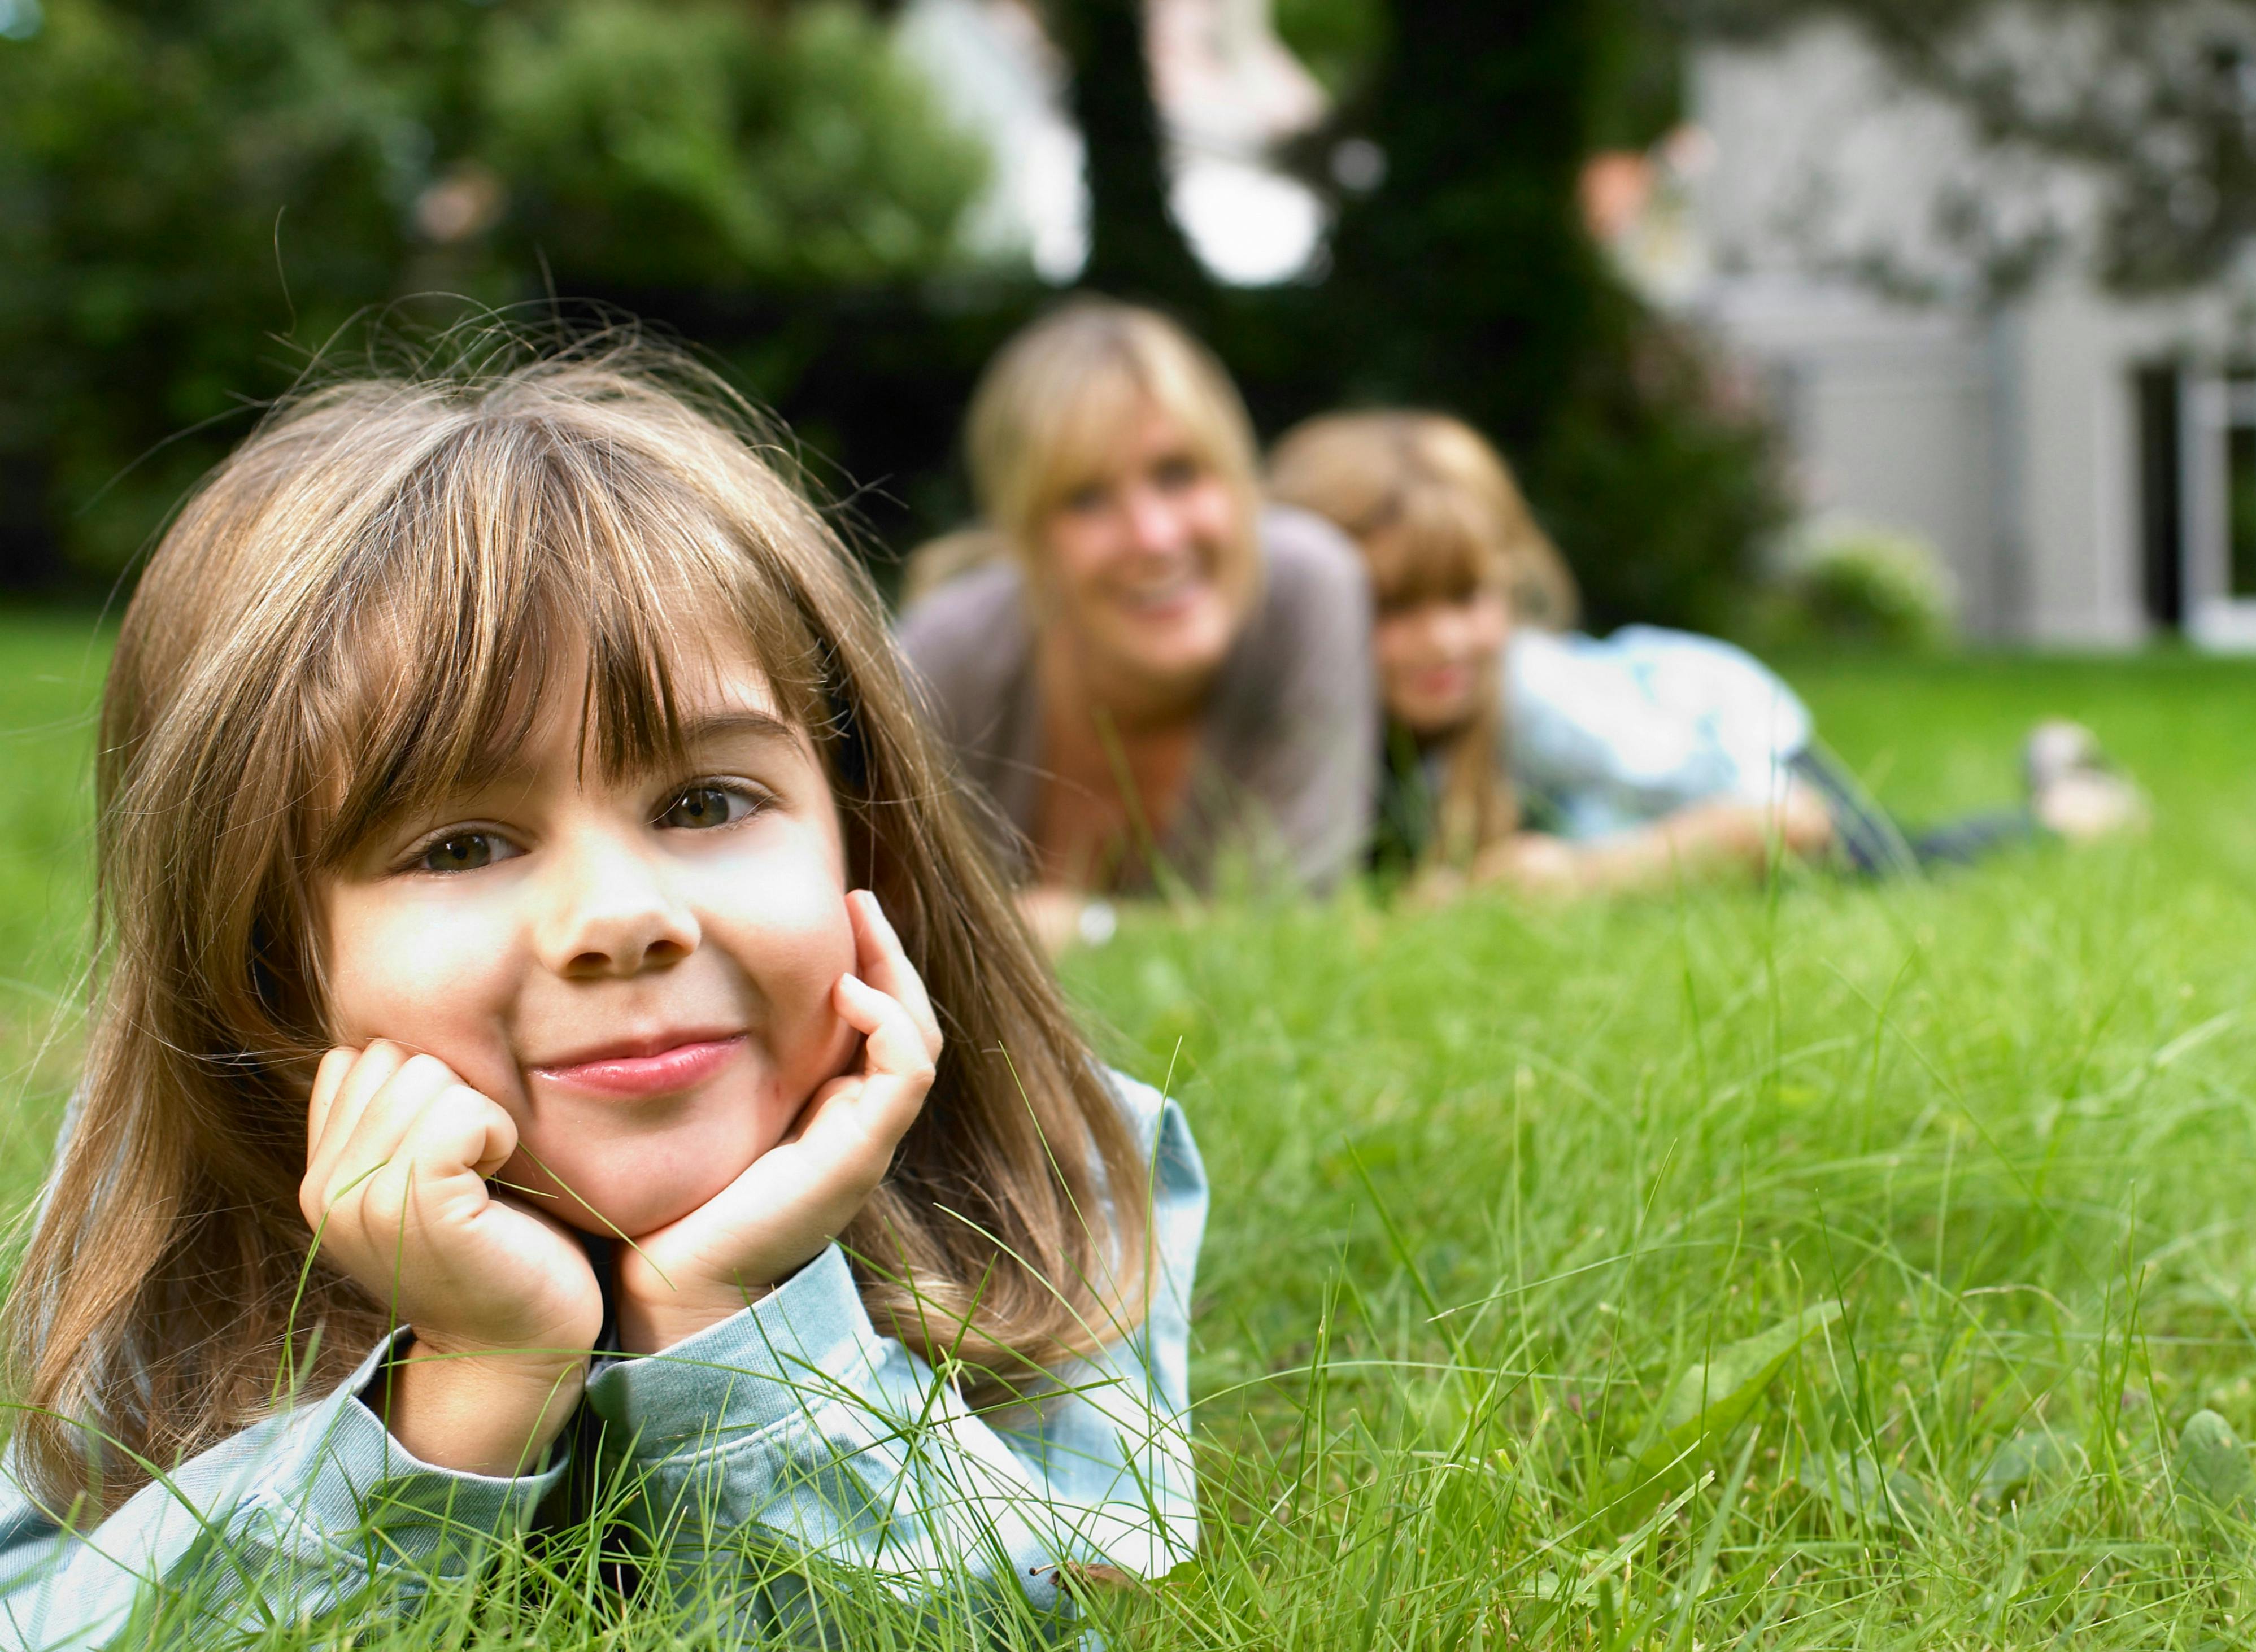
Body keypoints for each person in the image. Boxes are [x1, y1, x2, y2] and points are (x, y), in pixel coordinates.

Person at [0, 346, 1203, 1644]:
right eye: (461, 843)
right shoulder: (161, 1220)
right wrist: (476, 1381)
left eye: (704, 802)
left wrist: (727, 1319)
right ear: (268, 956)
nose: (622, 918)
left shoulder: (1036, 1162)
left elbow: (1020, 1618)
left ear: (864, 838)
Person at [1263, 410, 2142, 897]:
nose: (1444, 640)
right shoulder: (1325, 727)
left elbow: (1786, 820)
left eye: (1464, 599)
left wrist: (1585, 877)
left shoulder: (1537, 699)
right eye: (1395, 609)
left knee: (1904, 870)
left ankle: (2078, 808)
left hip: (1727, 738)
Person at [899, 300, 1374, 954]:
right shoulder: (945, 653)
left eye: (1178, 474)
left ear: (1239, 480)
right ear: (1024, 537)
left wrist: (1084, 929)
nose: (1152, 538)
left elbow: (1293, 924)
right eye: (1085, 499)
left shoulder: (1305, 586)